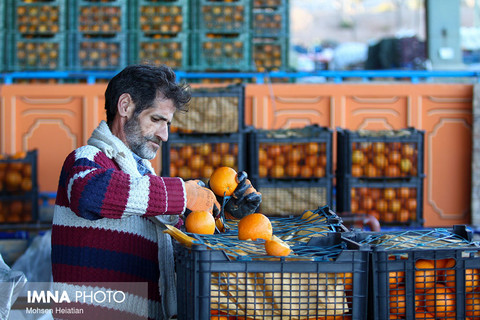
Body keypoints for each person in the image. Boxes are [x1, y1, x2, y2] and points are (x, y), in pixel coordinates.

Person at [51, 64, 261, 320]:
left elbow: (175, 244)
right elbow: (89, 194)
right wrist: (184, 194)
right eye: (156, 119)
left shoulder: (144, 181)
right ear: (125, 106)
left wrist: (221, 212)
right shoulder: (87, 159)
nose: (165, 135)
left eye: (167, 123)